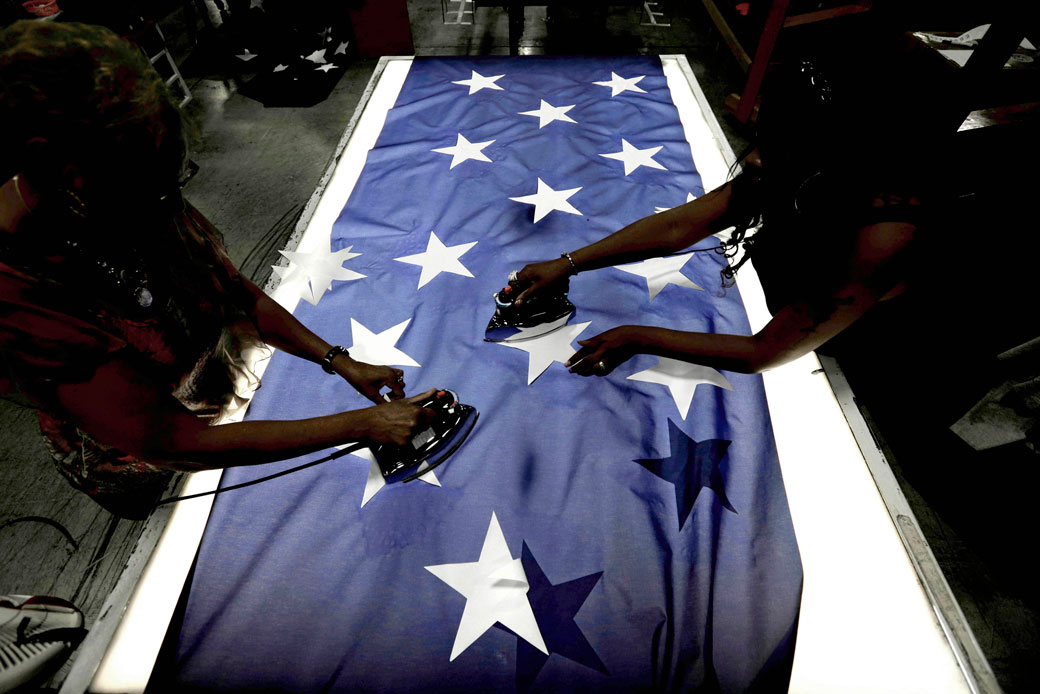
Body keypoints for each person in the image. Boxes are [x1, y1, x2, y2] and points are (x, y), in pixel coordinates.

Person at [0, 20, 434, 519]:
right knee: (151, 504)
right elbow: (171, 440)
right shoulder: (17, 290)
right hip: (131, 454)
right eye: (140, 187)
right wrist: (361, 425)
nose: (164, 204)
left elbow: (225, 288)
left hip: (197, 395)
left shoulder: (124, 190)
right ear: (56, 167)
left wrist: (337, 359)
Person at [513, 57, 946, 379]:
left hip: (870, 347)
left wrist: (637, 335)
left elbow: (764, 351)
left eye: (781, 147)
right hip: (812, 291)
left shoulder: (884, 236)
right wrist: (569, 262)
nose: (755, 158)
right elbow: (680, 226)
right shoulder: (803, 168)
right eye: (764, 138)